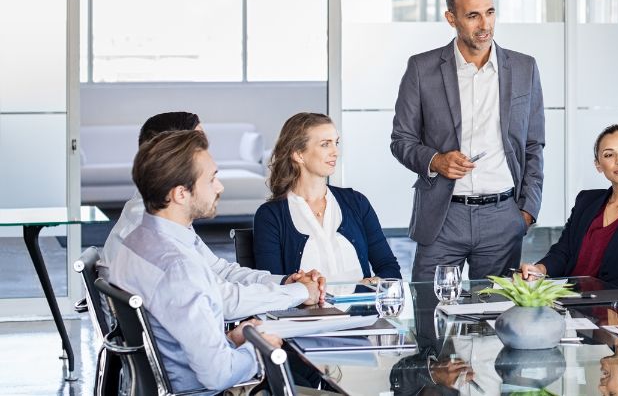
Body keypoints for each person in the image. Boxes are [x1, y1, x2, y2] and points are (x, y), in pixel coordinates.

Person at [390, 0, 546, 281]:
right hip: (442, 216)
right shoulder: (422, 69)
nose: (484, 25)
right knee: (427, 315)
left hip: (503, 216)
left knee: (493, 320)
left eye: (490, 12)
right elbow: (401, 139)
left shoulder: (524, 67)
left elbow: (534, 145)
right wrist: (436, 160)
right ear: (451, 18)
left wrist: (527, 211)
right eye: (472, 15)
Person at [106, 130, 285, 395]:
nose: (220, 187)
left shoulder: (134, 242)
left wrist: (230, 340)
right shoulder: (179, 268)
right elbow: (218, 375)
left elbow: (174, 335)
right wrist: (259, 347)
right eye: (212, 178)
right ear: (180, 193)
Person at [101, 111, 321, 319]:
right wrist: (297, 293)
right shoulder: (152, 232)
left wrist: (284, 282)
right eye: (198, 143)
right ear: (171, 153)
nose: (206, 152)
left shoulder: (160, 216)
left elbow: (218, 270)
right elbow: (221, 300)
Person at [518, 124, 618, 297]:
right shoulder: (586, 201)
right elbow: (563, 252)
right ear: (598, 165)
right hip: (565, 303)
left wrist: (584, 296)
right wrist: (539, 270)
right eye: (609, 155)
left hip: (615, 311)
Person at [254, 112, 402, 282]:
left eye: (336, 143)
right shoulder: (270, 216)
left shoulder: (356, 202)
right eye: (325, 144)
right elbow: (271, 285)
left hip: (359, 308)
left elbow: (390, 269)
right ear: (298, 154)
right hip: (308, 309)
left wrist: (372, 283)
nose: (336, 152)